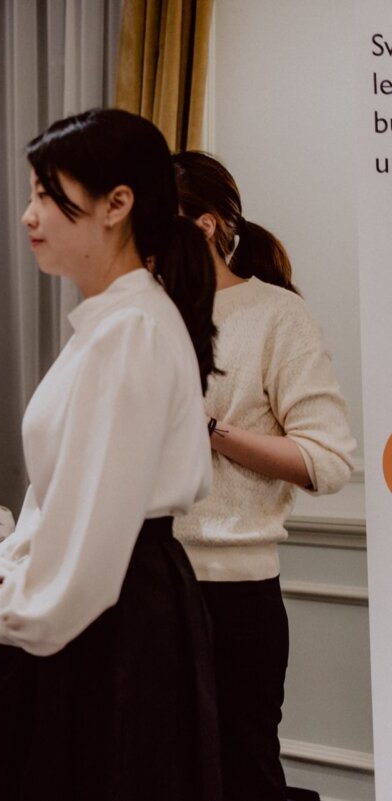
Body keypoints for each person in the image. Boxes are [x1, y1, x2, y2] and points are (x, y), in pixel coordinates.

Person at [0, 109, 222, 800]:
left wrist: (6, 608)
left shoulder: (129, 328)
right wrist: (11, 572)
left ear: (117, 204)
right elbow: (58, 497)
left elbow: (91, 528)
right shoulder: (117, 320)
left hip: (108, 618)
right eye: (31, 194)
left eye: (47, 193)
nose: (28, 215)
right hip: (116, 602)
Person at [172, 151, 355, 801]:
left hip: (233, 594)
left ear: (204, 228)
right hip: (140, 586)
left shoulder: (278, 316)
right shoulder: (144, 320)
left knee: (241, 776)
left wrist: (214, 432)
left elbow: (327, 461)